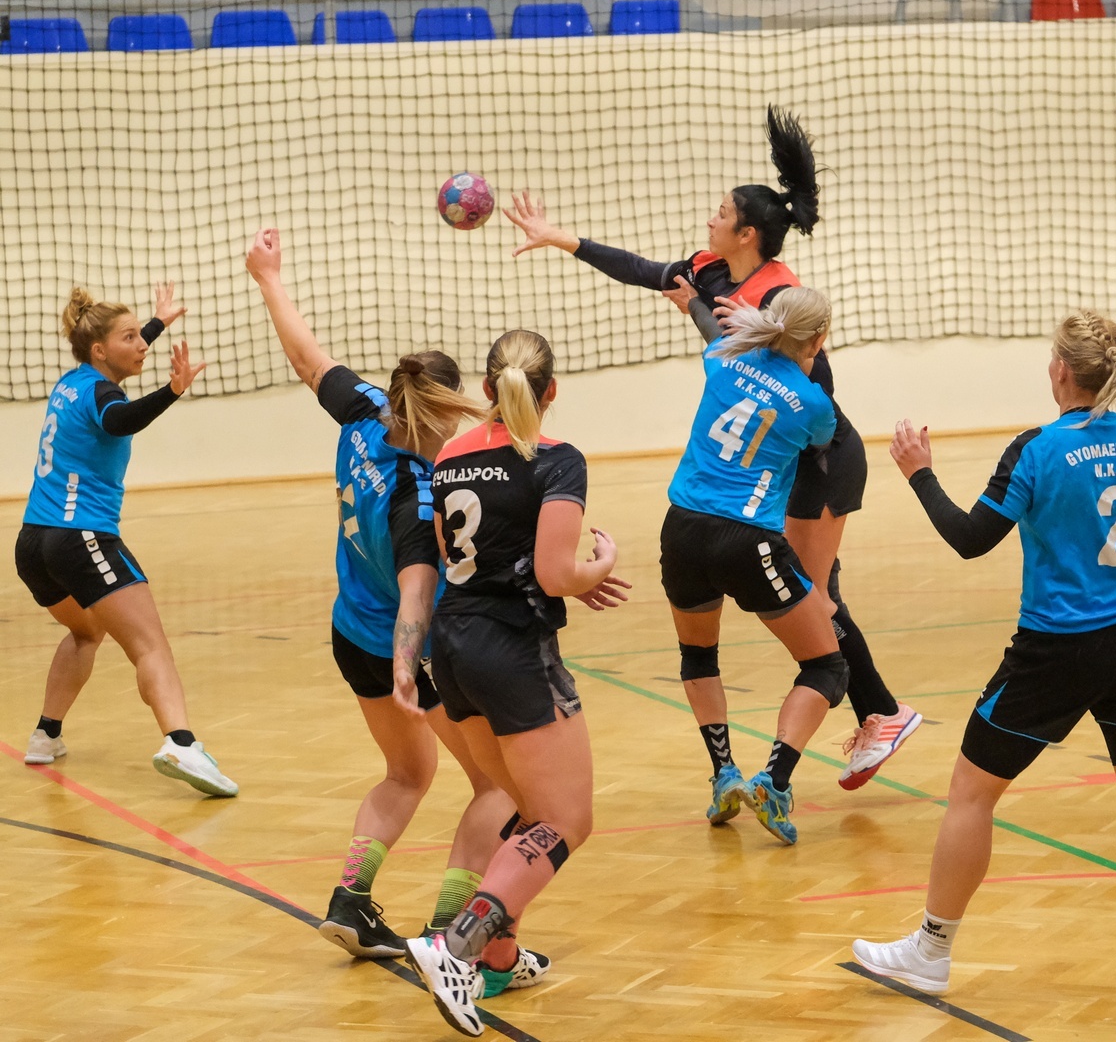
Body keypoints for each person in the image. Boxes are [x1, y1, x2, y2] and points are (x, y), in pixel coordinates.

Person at [502, 104, 920, 793]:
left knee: (818, 597)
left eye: (720, 213)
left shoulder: (780, 295)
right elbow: (644, 270)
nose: (709, 219)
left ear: (748, 233)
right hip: (781, 455)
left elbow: (800, 388)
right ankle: (877, 711)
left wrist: (705, 318)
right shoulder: (712, 269)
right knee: (817, 596)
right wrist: (558, 238)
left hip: (821, 459)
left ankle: (882, 714)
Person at [853, 309, 1116, 1002]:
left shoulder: (1036, 449)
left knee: (971, 792)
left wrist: (920, 474)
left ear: (1060, 370)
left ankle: (931, 951)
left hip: (1056, 650)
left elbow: (971, 539)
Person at [245, 229, 535, 971]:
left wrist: (269, 278)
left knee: (408, 773)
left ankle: (350, 901)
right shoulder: (418, 494)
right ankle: (449, 935)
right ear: (442, 412)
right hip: (408, 654)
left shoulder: (365, 410)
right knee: (498, 787)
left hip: (350, 634)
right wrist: (410, 666)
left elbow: (308, 360)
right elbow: (416, 594)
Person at [403, 329, 624, 1037]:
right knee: (566, 821)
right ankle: (455, 947)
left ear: (487, 389)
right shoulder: (556, 459)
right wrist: (595, 568)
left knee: (528, 808)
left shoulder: (450, 456)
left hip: (455, 648)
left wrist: (558, 575)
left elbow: (455, 557)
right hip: (513, 652)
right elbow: (556, 573)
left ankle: (499, 956)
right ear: (550, 390)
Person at [15, 284, 237, 797]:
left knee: (86, 632)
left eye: (142, 336)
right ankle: (181, 743)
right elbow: (119, 420)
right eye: (131, 338)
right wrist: (172, 391)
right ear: (100, 349)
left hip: (34, 542)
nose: (142, 346)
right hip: (81, 538)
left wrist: (158, 322)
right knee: (150, 645)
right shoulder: (103, 395)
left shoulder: (72, 382)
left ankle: (46, 735)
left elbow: (114, 364)